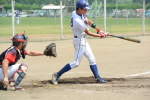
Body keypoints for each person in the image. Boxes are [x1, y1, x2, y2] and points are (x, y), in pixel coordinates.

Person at [52, 0, 108, 84]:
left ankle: (97, 78)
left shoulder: (76, 12)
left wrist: (99, 30)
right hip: (79, 41)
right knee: (76, 63)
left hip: (83, 40)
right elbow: (88, 33)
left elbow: (87, 20)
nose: (86, 10)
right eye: (85, 9)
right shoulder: (77, 21)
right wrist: (101, 35)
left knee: (92, 59)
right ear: (79, 9)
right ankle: (57, 75)